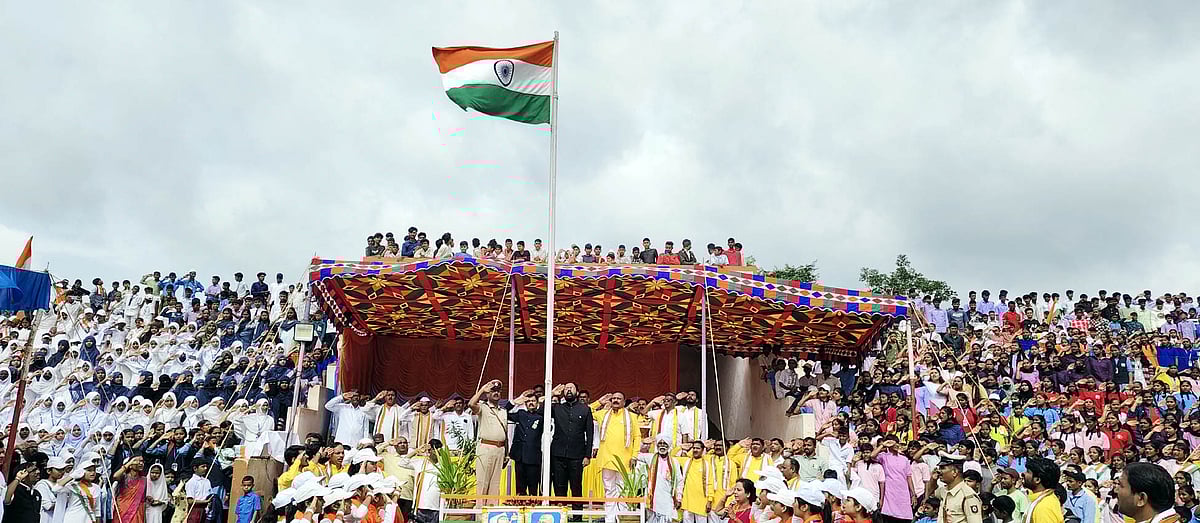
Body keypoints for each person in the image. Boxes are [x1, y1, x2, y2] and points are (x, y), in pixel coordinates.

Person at [594, 391, 642, 523]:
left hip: (625, 460)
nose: (615, 400)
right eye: (613, 398)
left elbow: (637, 437)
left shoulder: (631, 416)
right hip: (606, 458)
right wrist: (600, 401)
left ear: (624, 401)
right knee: (609, 490)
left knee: (623, 490)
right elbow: (587, 409)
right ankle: (610, 519)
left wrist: (635, 455)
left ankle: (621, 518)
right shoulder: (603, 414)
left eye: (618, 398)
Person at [550, 383, 594, 500]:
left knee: (576, 487)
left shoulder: (585, 409)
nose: (569, 390)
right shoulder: (557, 408)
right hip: (558, 454)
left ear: (577, 392)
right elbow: (541, 411)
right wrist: (552, 394)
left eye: (571, 388)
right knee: (559, 487)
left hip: (577, 456)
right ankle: (561, 515)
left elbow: (590, 434)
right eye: (566, 388)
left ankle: (577, 515)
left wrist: (587, 455)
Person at [470, 379, 509, 501]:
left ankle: (491, 514)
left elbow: (505, 433)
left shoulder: (503, 411)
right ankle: (480, 515)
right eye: (493, 391)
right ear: (488, 394)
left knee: (495, 484)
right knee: (482, 483)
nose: (496, 393)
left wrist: (506, 453)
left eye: (498, 391)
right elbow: (471, 404)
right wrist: (482, 390)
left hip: (500, 449)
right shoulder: (483, 407)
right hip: (486, 448)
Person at [938, 452, 984, 523]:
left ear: (954, 472)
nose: (939, 471)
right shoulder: (944, 491)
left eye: (942, 468)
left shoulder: (968, 496)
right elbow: (930, 493)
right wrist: (933, 479)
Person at [1023, 457, 1065, 523]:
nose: (1023, 474)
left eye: (1028, 472)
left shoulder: (1044, 507)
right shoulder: (1042, 500)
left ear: (1037, 480)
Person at [113, 454, 148, 523]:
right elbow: (115, 476)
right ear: (130, 465)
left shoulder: (144, 480)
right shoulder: (124, 477)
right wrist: (129, 463)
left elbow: (143, 501)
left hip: (137, 511)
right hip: (122, 509)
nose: (141, 463)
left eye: (142, 461)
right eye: (137, 461)